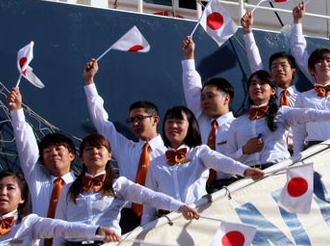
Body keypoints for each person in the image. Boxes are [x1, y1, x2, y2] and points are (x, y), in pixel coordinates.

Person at [54, 133, 202, 245]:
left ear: (109, 155)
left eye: (100, 147)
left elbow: (150, 196)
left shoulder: (118, 184)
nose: (94, 152)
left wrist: (180, 207)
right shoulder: (68, 189)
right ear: (82, 158)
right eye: (88, 149)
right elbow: (59, 227)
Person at [227, 70, 330, 167]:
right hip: (247, 178)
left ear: (273, 91)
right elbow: (228, 159)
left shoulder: (283, 113)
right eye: (253, 84)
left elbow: (313, 114)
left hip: (276, 171)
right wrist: (244, 150)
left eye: (262, 83)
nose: (257, 87)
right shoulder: (236, 123)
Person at [82, 59, 165, 232]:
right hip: (126, 217)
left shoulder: (169, 154)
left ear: (155, 120)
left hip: (159, 219)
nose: (134, 124)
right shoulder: (126, 148)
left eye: (139, 118)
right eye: (131, 120)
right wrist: (89, 82)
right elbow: (102, 122)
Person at [142, 107, 264, 223]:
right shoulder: (156, 163)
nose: (173, 126)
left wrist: (245, 170)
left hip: (197, 217)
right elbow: (149, 202)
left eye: (179, 122)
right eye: (170, 122)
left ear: (190, 126)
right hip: (167, 223)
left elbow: (222, 161)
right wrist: (142, 232)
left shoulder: (199, 152)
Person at [0, 171, 120, 246]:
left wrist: (96, 230)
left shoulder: (30, 223)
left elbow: (62, 228)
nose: (3, 193)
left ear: (22, 198)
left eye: (10, 188)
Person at [8, 87, 76, 246]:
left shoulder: (81, 185)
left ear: (72, 155)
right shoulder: (37, 181)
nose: (53, 153)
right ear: (43, 160)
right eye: (47, 151)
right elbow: (27, 150)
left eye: (59, 149)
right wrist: (17, 110)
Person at [180, 35, 243, 191]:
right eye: (203, 97)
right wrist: (189, 57)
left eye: (210, 96)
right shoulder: (200, 120)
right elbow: (191, 87)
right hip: (201, 187)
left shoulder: (239, 125)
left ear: (226, 98)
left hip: (230, 185)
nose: (204, 101)